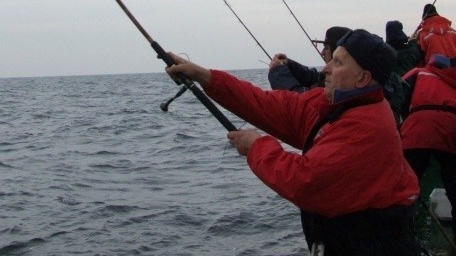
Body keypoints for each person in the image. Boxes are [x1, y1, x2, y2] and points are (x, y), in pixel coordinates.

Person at [166, 29, 421, 255]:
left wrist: (256, 147)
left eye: (338, 62)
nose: (325, 69)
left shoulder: (367, 125)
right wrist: (205, 76)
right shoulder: (332, 104)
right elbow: (268, 105)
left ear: (363, 79)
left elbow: (306, 181)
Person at [399, 54, 456, 235]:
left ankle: (401, 226)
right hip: (450, 129)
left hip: (418, 129)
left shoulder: (418, 73)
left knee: (408, 179)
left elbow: (400, 93)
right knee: (455, 179)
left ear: (429, 63)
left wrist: (407, 119)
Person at [268, 26, 351, 92]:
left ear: (337, 51)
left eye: (326, 47)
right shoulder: (346, 79)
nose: (322, 52)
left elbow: (298, 101)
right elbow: (314, 78)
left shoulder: (334, 86)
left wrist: (277, 71)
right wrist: (289, 65)